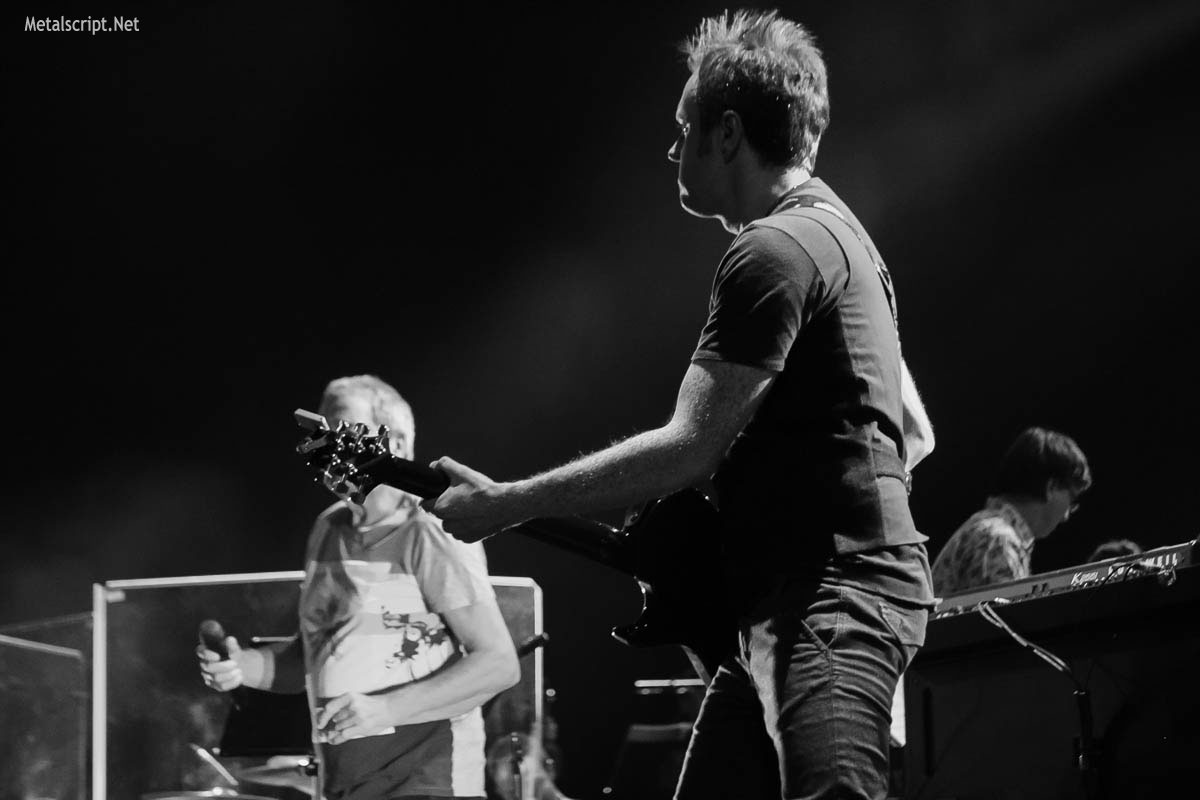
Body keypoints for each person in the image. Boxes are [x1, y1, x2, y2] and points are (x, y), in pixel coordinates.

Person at [425, 10, 937, 799]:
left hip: (827, 605)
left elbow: (687, 448)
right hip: (799, 601)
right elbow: (914, 433)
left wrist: (505, 504)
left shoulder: (771, 252)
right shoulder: (845, 239)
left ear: (727, 133)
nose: (672, 150)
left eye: (684, 127)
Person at [198, 374, 520, 800]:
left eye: (347, 432)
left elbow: (498, 663)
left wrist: (385, 709)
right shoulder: (328, 527)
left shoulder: (430, 530)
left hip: (428, 785)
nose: (332, 449)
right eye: (325, 432)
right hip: (345, 787)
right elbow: (314, 655)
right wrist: (243, 666)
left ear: (397, 443)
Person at [931, 426, 1092, 596]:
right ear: (1051, 487)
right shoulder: (998, 539)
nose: (1066, 516)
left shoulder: (993, 532)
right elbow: (1007, 613)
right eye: (1072, 500)